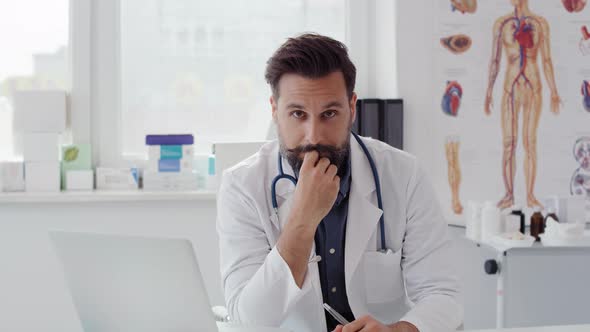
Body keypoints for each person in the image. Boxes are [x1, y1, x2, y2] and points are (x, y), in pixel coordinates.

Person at [217, 33, 462, 332]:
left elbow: (443, 296)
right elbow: (249, 321)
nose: (313, 136)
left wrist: (398, 331)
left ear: (352, 107)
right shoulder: (242, 186)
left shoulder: (403, 175)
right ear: (274, 110)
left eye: (329, 114)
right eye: (297, 114)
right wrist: (302, 221)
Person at [484, 0, 561, 209]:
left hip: (533, 86)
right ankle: (509, 194)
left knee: (529, 142)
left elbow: (546, 60)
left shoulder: (540, 23)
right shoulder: (501, 24)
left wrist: (554, 90)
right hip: (510, 87)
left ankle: (529, 195)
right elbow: (495, 60)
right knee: (509, 142)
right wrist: (489, 90)